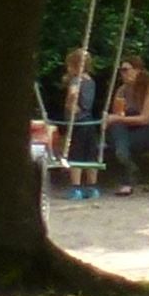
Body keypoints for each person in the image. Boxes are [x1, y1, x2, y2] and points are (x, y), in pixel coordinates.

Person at [100, 57, 149, 196]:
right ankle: (127, 166)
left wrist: (118, 118)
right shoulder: (122, 91)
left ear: (137, 70)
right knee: (118, 132)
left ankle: (127, 179)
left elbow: (145, 119)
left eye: (126, 70)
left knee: (122, 142)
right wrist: (114, 118)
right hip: (129, 132)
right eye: (121, 71)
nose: (123, 73)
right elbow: (118, 116)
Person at [53, 47, 104, 200]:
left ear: (74, 65)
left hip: (78, 122)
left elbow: (73, 94)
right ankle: (92, 187)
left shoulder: (76, 80)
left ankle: (76, 188)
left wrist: (70, 105)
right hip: (89, 121)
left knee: (76, 154)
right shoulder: (91, 81)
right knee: (90, 155)